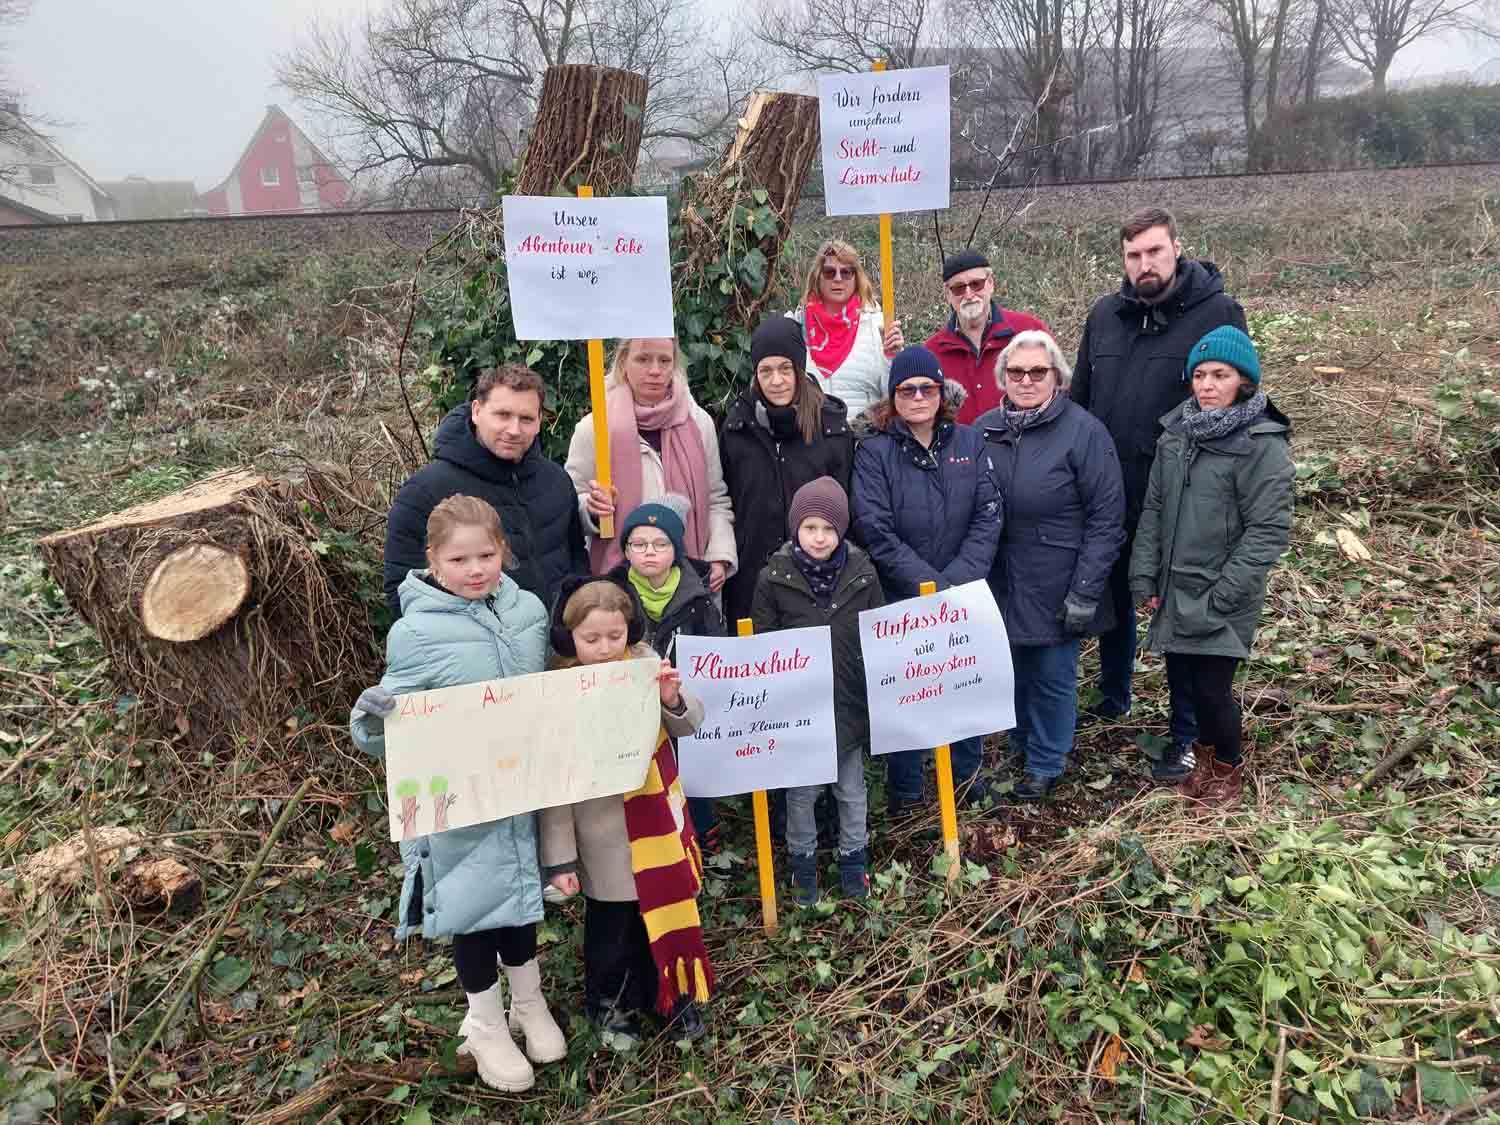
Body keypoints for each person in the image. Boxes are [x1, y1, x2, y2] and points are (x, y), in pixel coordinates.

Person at [350, 496, 563, 1092]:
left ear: (504, 553)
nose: (475, 569)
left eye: (486, 555)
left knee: (520, 897)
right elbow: (388, 728)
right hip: (457, 805)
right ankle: (487, 1022)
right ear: (433, 562)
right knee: (473, 909)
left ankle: (529, 1000)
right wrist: (371, 719)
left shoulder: (527, 611)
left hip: (518, 788)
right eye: (459, 558)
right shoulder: (413, 632)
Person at [1072, 207, 1249, 781]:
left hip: (1183, 501)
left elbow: (1238, 405)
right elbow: (1081, 399)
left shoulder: (1217, 314)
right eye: (1133, 255)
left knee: (1181, 622)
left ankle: (1188, 735)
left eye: (1154, 251)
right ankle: (1114, 693)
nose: (1144, 265)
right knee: (1116, 600)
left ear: (1177, 247)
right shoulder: (1105, 316)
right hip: (1110, 493)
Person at [539, 574, 714, 1047]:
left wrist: (671, 698)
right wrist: (560, 860)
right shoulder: (558, 692)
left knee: (662, 915)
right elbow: (554, 783)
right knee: (612, 932)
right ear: (569, 637)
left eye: (614, 636)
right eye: (591, 638)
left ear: (630, 631)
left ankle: (672, 996)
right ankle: (611, 1005)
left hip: (658, 825)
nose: (604, 647)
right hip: (602, 841)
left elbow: (692, 721)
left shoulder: (646, 666)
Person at [1129, 326, 1294, 806]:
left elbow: (1267, 530)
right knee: (1182, 683)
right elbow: (1155, 510)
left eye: (1219, 375)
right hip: (1175, 586)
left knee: (1212, 690)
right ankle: (1202, 761)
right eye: (1198, 375)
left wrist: (1225, 593)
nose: (1206, 385)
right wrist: (1146, 575)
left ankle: (1227, 767)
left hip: (1222, 591)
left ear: (1243, 380)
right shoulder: (1176, 435)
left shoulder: (1261, 443)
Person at [851, 347, 1003, 814]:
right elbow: (874, 526)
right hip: (903, 598)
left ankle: (965, 778)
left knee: (962, 686)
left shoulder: (969, 444)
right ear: (892, 397)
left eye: (927, 388)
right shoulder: (874, 452)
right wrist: (925, 584)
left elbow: (989, 514)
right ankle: (907, 792)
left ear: (941, 393)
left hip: (962, 597)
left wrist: (956, 580)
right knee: (909, 694)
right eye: (907, 389)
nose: (918, 397)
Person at [977, 331, 1125, 800]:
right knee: (1014, 668)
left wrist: (1086, 588)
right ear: (1003, 377)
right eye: (1016, 372)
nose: (1026, 380)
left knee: (1053, 673)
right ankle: (1021, 743)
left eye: (1037, 372)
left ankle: (1047, 760)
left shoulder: (1084, 432)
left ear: (1056, 377)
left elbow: (1107, 517)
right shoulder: (983, 430)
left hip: (1058, 575)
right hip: (1001, 575)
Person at [752, 477, 884, 903]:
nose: (820, 537)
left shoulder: (863, 572)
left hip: (847, 701)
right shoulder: (773, 578)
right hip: (800, 710)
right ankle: (803, 865)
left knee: (850, 789)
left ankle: (853, 859)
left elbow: (879, 632)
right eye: (810, 528)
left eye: (828, 529)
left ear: (841, 531)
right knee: (802, 793)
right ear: (796, 530)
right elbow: (762, 641)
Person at [384, 364, 586, 619]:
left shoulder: (556, 480)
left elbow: (577, 559)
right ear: (477, 411)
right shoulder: (424, 491)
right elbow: (402, 591)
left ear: (539, 422)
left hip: (563, 648)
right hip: (476, 651)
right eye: (502, 415)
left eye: (526, 419)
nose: (514, 430)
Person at [565, 337, 736, 584]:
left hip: (689, 580)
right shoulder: (594, 428)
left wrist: (719, 557)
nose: (655, 370)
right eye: (643, 359)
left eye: (664, 360)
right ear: (623, 363)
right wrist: (592, 509)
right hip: (619, 583)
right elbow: (571, 502)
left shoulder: (699, 423)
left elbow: (715, 499)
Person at [721, 317, 856, 629]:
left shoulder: (832, 428)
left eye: (785, 368)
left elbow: (848, 508)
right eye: (766, 371)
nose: (777, 380)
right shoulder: (736, 428)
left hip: (819, 579)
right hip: (752, 581)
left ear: (799, 368)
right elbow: (728, 499)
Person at [609, 496, 726, 849]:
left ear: (676, 550)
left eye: (660, 544)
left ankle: (703, 840)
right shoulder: (611, 595)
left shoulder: (699, 596)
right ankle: (655, 847)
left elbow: (716, 651)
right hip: (629, 711)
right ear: (626, 550)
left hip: (683, 705)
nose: (649, 552)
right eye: (638, 544)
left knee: (692, 773)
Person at [924, 250, 1049, 426]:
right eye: (959, 288)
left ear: (990, 283)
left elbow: (1058, 394)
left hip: (1026, 447)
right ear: (947, 294)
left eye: (976, 284)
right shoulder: (931, 353)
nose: (969, 294)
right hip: (963, 452)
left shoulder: (1030, 331)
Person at [785, 238, 904, 420]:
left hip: (863, 442)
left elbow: (895, 398)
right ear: (818, 277)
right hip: (811, 441)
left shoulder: (878, 326)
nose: (838, 278)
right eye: (829, 272)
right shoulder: (795, 326)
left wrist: (893, 358)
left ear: (857, 278)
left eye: (847, 272)